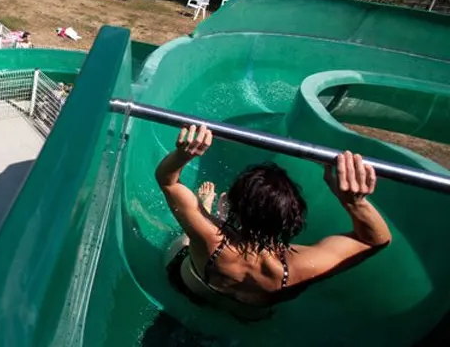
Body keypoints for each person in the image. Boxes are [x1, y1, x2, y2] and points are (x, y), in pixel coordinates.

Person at [160, 125, 392, 321]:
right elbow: (376, 241)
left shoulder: (209, 236)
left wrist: (183, 155)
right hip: (247, 315)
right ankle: (220, 217)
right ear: (290, 221)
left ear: (237, 212)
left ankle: (214, 212)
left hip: (190, 288)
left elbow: (167, 181)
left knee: (189, 235)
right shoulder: (302, 267)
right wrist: (354, 202)